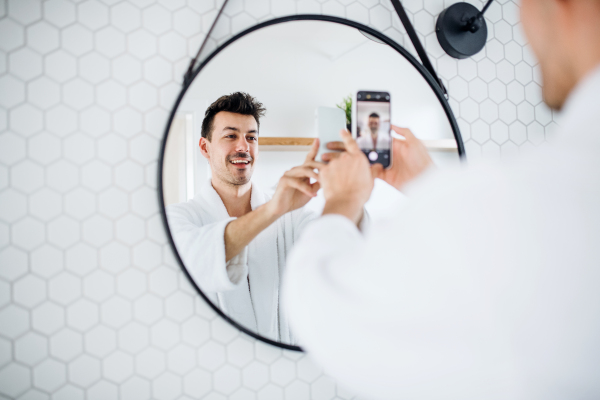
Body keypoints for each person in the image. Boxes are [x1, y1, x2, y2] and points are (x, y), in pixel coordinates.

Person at [283, 0, 600, 398]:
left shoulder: (520, 201)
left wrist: (343, 201)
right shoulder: (543, 196)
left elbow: (327, 315)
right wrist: (428, 186)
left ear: (561, 6)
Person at [166, 92, 361, 344]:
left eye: (251, 137)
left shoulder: (291, 214)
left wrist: (349, 191)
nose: (243, 147)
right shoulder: (180, 218)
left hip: (282, 367)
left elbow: (337, 248)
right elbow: (197, 258)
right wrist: (272, 210)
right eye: (230, 136)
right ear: (205, 147)